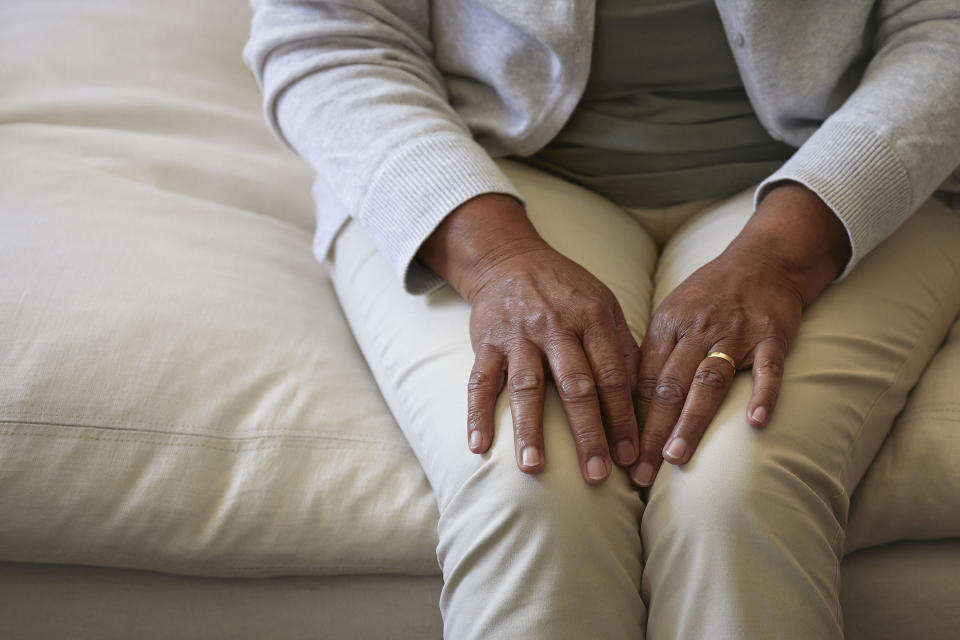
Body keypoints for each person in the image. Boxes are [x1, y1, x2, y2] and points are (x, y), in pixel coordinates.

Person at [244, 1, 960, 637]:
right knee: (535, 484)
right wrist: (495, 259)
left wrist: (781, 256)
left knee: (735, 486)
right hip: (475, 176)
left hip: (836, 174)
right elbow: (326, 36)